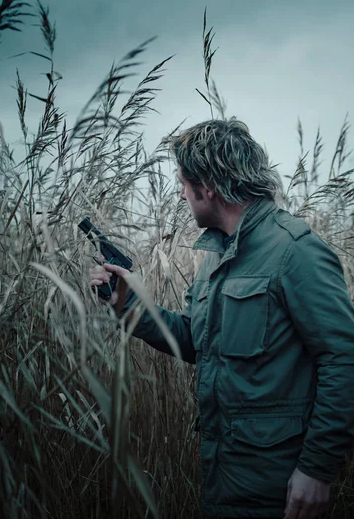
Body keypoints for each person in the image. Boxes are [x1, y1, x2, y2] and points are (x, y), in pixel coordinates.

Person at [89, 119, 354, 519]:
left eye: (182, 183)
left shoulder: (295, 251)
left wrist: (316, 469)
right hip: (224, 474)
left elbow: (345, 359)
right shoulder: (215, 255)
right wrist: (127, 303)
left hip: (279, 487)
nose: (180, 194)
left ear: (207, 186)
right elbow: (198, 341)